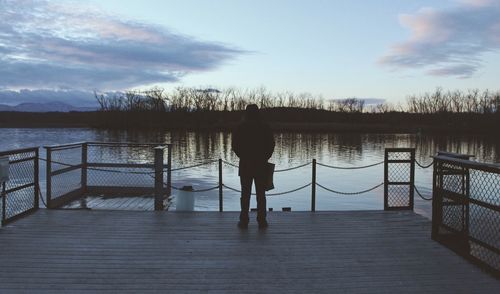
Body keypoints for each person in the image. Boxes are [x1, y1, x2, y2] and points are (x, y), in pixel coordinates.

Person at [232, 104, 275, 229]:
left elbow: (235, 145)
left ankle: (244, 220)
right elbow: (271, 145)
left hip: (245, 164)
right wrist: (264, 157)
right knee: (261, 195)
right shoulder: (265, 127)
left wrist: (243, 156)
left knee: (245, 194)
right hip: (261, 165)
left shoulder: (240, 127)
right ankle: (262, 220)